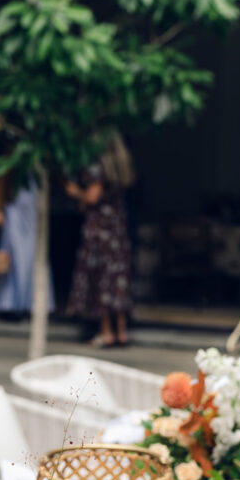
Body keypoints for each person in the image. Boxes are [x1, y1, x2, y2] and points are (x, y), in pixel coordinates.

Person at [65, 133, 136, 348]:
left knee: (102, 280)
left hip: (100, 230)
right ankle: (121, 332)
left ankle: (106, 333)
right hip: (118, 228)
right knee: (119, 280)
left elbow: (93, 196)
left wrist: (76, 192)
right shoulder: (122, 166)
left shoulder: (98, 168)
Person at [0, 172, 54, 317]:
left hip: (34, 210)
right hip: (15, 208)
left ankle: (31, 303)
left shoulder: (41, 159)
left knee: (33, 256)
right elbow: (0, 178)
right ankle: (10, 303)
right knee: (13, 255)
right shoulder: (12, 157)